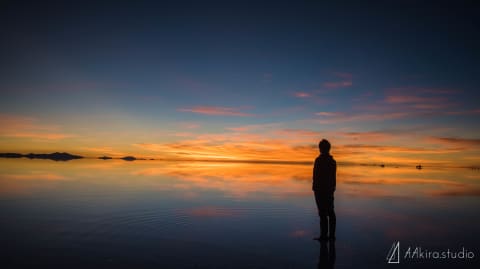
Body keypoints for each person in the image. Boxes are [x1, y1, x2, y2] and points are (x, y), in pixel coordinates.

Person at [312, 139, 336, 241]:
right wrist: (332, 188)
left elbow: (316, 176)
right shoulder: (332, 162)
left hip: (322, 190)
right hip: (327, 189)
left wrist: (315, 188)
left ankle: (325, 236)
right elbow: (333, 178)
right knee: (329, 213)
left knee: (324, 213)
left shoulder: (319, 161)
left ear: (321, 149)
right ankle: (330, 236)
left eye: (321, 147)